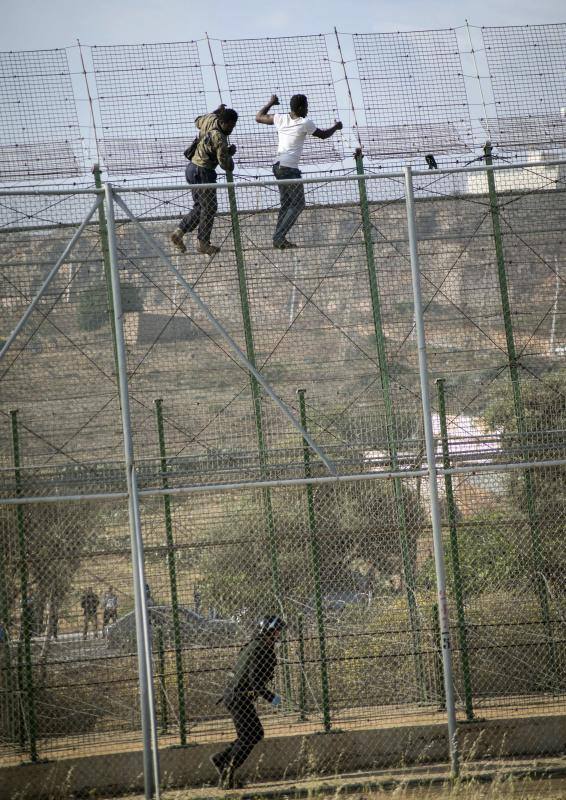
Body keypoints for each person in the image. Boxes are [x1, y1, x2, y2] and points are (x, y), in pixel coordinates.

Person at [256, 94, 342, 248]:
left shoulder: (280, 118)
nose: (308, 109)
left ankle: (278, 238)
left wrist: (271, 103)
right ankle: (279, 236)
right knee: (299, 204)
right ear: (301, 108)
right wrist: (336, 127)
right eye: (307, 106)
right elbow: (323, 135)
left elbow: (259, 117)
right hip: (289, 169)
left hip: (277, 167)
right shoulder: (305, 122)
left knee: (287, 203)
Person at [210, 615, 286, 789]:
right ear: (268, 631)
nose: (278, 634)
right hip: (238, 697)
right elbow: (255, 682)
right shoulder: (260, 649)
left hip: (238, 697)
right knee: (250, 735)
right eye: (276, 631)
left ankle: (222, 760)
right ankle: (226, 770)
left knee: (253, 734)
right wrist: (271, 698)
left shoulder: (256, 646)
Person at [171, 104, 239, 256]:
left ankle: (179, 232)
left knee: (200, 207)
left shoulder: (210, 118)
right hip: (204, 171)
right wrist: (230, 154)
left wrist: (215, 112)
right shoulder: (220, 138)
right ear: (224, 123)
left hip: (191, 168)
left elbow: (197, 121)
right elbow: (224, 163)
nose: (232, 129)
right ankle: (203, 242)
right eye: (231, 125)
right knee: (210, 207)